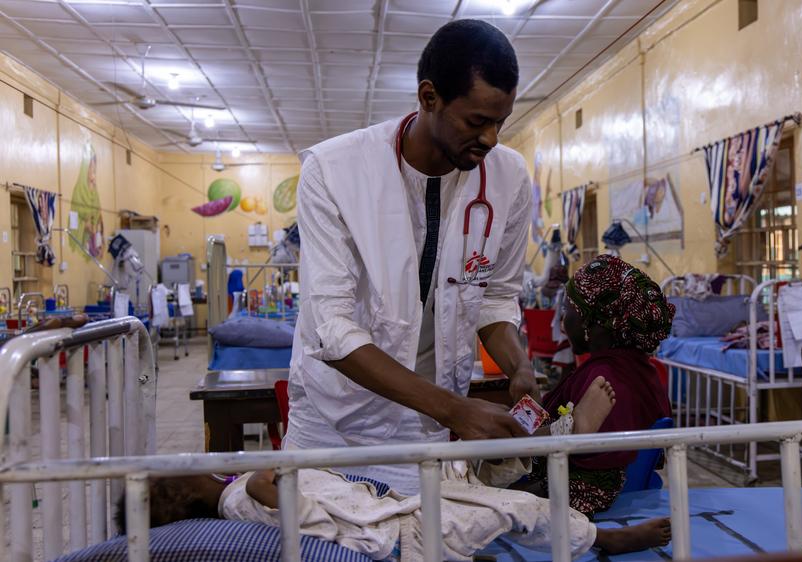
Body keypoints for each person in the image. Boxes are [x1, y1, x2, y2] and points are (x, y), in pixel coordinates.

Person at [286, 19, 538, 494]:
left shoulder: (509, 178)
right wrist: (454, 409)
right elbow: (332, 327)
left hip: (430, 421)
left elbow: (494, 297)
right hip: (333, 423)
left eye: (501, 122)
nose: (491, 139)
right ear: (429, 98)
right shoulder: (333, 171)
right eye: (476, 121)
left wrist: (517, 363)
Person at [118, 379, 671, 560]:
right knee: (515, 506)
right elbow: (268, 487)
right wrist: (265, 465)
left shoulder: (234, 493)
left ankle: (552, 441)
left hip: (392, 494)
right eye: (185, 472)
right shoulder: (235, 501)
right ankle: (602, 538)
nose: (201, 466)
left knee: (468, 464)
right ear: (179, 502)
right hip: (404, 532)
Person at [515, 255, 674, 517]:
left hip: (579, 502)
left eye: (568, 310)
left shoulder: (603, 380)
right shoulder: (642, 369)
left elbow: (587, 487)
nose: (563, 322)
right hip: (629, 492)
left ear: (595, 323)